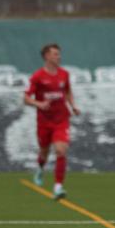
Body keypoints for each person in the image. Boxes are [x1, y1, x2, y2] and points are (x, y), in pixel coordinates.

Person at [24, 43, 80, 200]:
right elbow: (26, 98)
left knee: (61, 150)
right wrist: (39, 104)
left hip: (61, 119)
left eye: (59, 54)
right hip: (44, 121)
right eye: (55, 54)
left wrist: (73, 106)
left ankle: (58, 187)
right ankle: (40, 169)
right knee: (44, 152)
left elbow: (67, 91)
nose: (58, 56)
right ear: (47, 56)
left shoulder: (64, 74)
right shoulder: (37, 76)